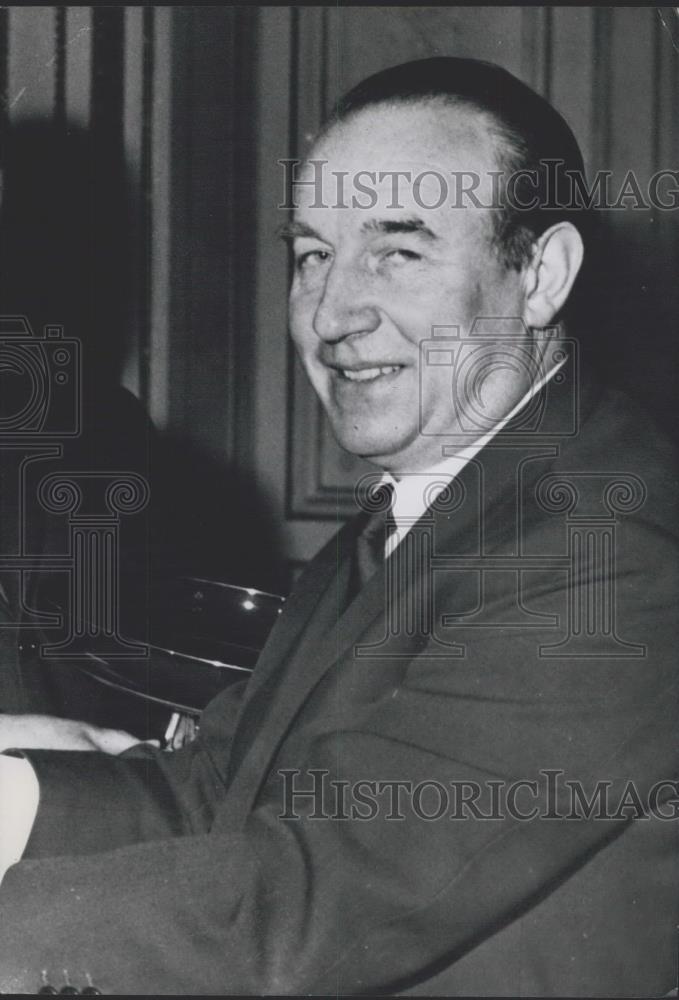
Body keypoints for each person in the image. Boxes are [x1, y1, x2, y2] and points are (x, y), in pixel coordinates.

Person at [0, 57, 677, 996]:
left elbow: (308, 899)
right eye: (313, 254)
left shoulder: (607, 552)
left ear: (540, 275)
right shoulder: (426, 504)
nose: (330, 314)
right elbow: (221, 792)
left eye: (396, 251)